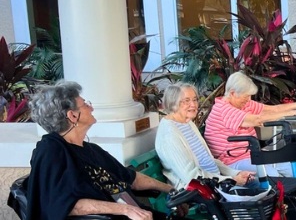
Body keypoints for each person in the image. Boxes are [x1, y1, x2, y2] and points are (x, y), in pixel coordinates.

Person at [25, 81, 175, 220]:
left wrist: (171, 190)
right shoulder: (51, 151)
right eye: (85, 105)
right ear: (72, 115)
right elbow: (65, 205)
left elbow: (131, 178)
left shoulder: (91, 149)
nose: (91, 108)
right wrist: (125, 210)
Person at [156, 83, 254, 188]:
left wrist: (235, 173)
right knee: (260, 190)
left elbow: (209, 160)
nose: (193, 105)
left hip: (214, 182)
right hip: (197, 191)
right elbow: (191, 177)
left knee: (259, 183)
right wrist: (230, 180)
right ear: (173, 103)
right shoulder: (169, 135)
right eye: (187, 101)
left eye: (194, 100)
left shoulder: (187, 123)